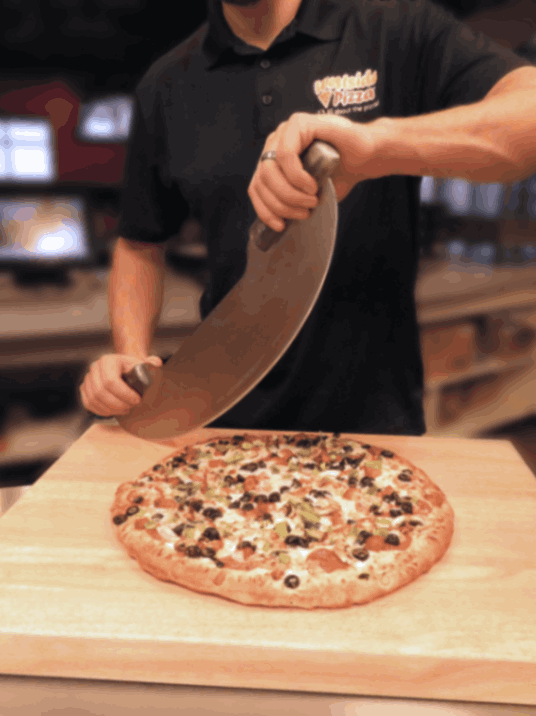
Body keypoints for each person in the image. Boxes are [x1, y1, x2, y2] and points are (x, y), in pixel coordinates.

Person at [79, 0, 536, 435]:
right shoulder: (165, 85)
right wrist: (131, 358)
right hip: (218, 419)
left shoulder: (393, 28)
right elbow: (139, 242)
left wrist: (379, 147)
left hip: (374, 419)